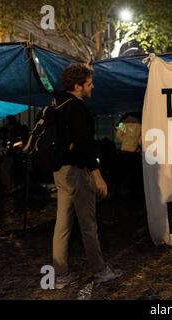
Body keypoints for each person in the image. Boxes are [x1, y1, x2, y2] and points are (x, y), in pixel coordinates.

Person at [52, 64, 122, 289]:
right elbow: (85, 145)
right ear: (77, 86)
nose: (93, 87)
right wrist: (97, 176)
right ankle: (100, 270)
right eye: (89, 83)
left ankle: (60, 274)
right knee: (88, 223)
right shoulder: (78, 108)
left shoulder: (57, 104)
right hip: (77, 172)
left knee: (62, 224)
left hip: (60, 171)